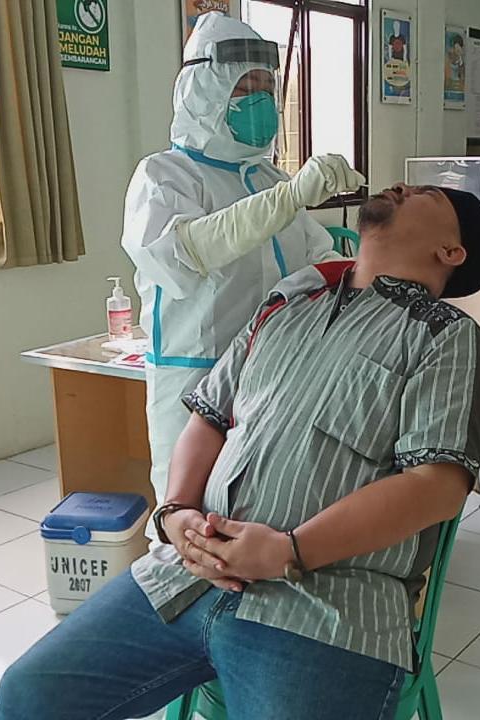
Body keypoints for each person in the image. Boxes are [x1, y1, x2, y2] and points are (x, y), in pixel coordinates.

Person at [0, 183, 480, 720]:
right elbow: (208, 417)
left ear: (451, 251)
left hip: (326, 605)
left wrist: (290, 550)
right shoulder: (287, 306)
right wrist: (175, 512)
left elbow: (435, 486)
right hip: (187, 574)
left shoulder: (445, 337)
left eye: (427, 196)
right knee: (28, 694)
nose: (400, 187)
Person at [121, 11, 364, 505]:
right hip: (197, 372)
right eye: (245, 88)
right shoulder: (164, 176)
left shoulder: (269, 180)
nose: (261, 101)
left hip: (273, 370)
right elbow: (189, 251)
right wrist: (289, 197)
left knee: (257, 497)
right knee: (186, 503)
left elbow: (318, 261)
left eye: (267, 88)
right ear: (204, 94)